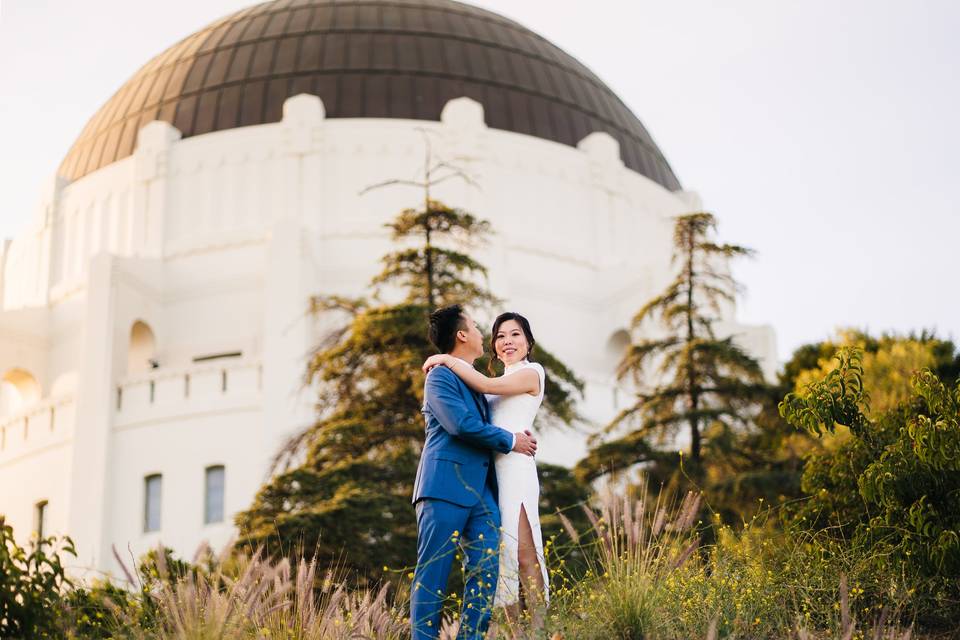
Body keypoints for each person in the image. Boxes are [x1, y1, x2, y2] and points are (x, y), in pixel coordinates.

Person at [411, 304, 538, 640]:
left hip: (482, 493)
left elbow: (492, 403)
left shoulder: (478, 382)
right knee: (433, 574)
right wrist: (511, 440)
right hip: (443, 487)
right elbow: (461, 425)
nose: (485, 335)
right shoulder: (440, 376)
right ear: (462, 334)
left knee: (485, 571)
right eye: (479, 328)